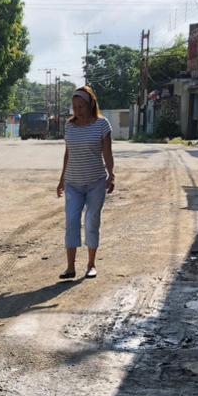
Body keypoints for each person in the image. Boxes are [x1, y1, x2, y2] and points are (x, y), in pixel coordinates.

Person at [56, 86, 114, 280]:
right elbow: (67, 153)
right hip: (73, 182)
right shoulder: (69, 126)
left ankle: (91, 264)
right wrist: (61, 180)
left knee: (91, 221)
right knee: (72, 222)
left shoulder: (102, 125)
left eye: (81, 106)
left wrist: (111, 174)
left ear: (90, 105)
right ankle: (70, 267)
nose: (77, 110)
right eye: (74, 107)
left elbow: (107, 152)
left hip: (96, 182)